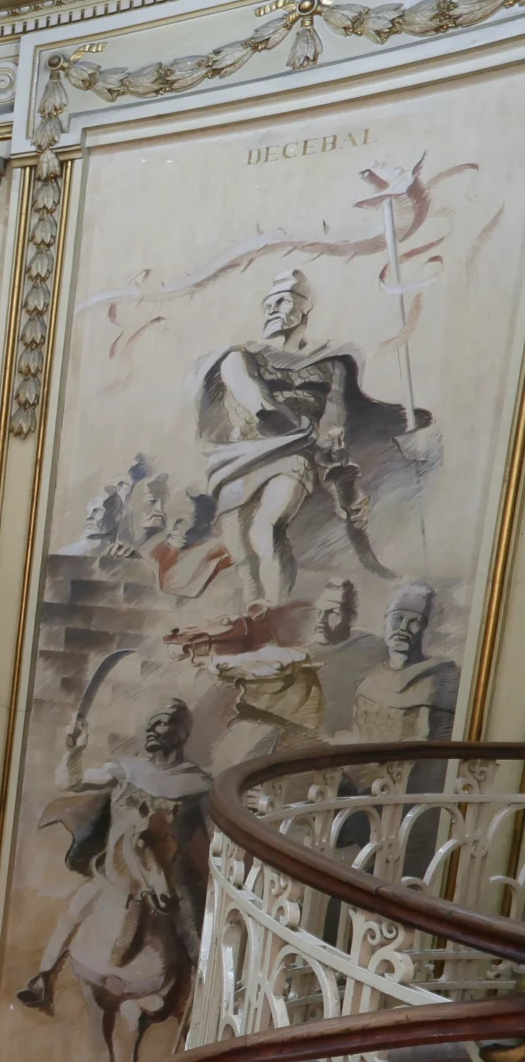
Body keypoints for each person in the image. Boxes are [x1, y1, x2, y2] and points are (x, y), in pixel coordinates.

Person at [195, 270, 414, 605]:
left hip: (294, 455)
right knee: (240, 548)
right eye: (268, 303)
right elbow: (260, 406)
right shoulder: (238, 357)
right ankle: (255, 610)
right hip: (238, 458)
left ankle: (274, 606)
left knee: (266, 527)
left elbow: (333, 416)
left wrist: (331, 449)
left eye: (282, 301)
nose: (272, 309)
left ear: (304, 307)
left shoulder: (331, 364)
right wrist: (303, 429)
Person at [18, 699, 212, 1062]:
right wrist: (73, 751)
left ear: (182, 732)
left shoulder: (198, 783)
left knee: (193, 934)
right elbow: (70, 781)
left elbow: (218, 829)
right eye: (152, 722)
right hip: (116, 877)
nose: (154, 728)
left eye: (164, 722)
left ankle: (201, 998)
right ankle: (42, 980)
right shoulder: (126, 770)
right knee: (75, 910)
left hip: (168, 880)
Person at [352, 583, 459, 741]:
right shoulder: (369, 680)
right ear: (385, 623)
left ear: (425, 629)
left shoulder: (440, 681)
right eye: (397, 618)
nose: (403, 628)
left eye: (414, 621)